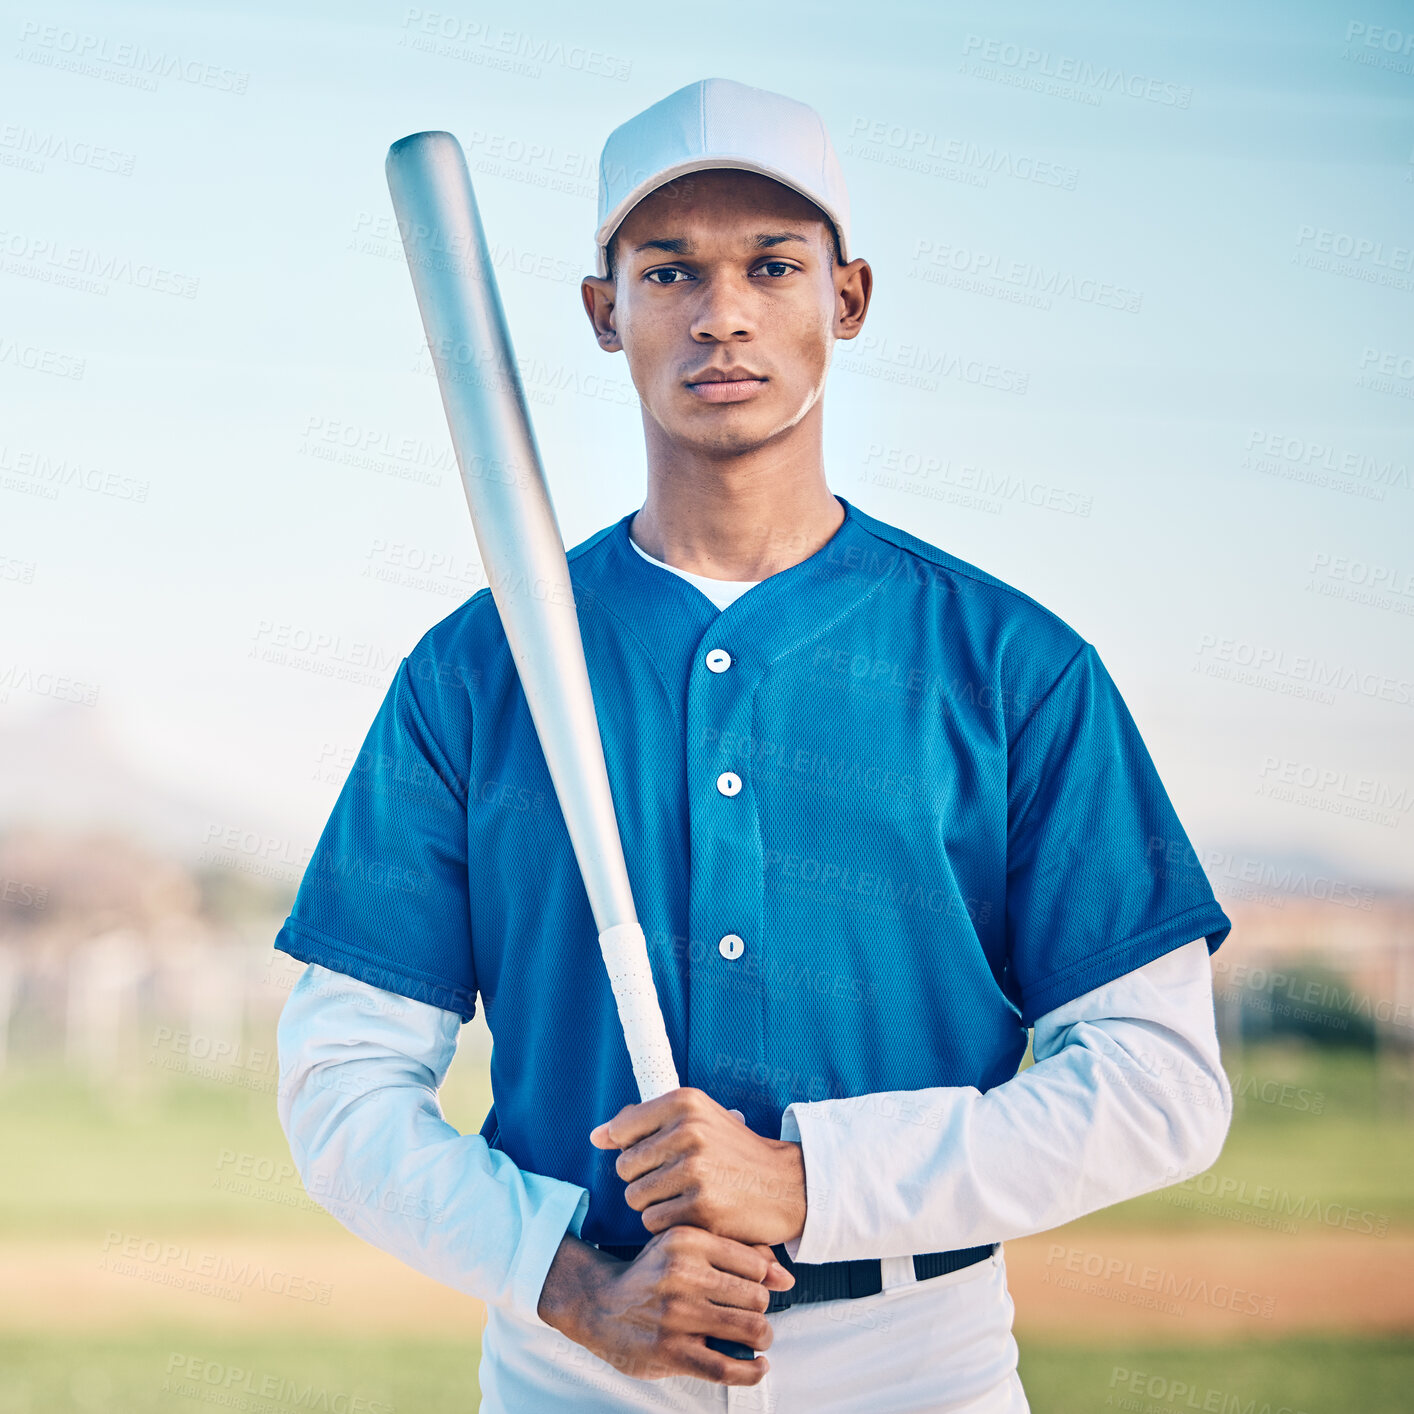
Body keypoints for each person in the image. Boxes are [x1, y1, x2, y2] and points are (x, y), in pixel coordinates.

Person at [274, 77, 1234, 1412]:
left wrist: (811, 1179)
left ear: (845, 299)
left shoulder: (1013, 664)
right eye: (668, 270)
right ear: (604, 313)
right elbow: (339, 1084)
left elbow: (1157, 1083)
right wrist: (564, 1281)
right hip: (577, 1364)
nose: (720, 311)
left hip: (920, 1361)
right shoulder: (474, 668)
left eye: (771, 265)